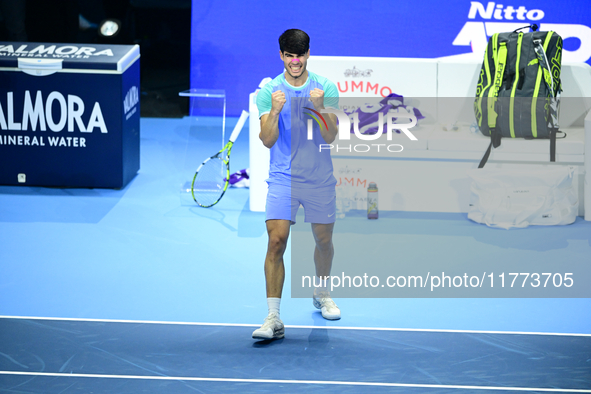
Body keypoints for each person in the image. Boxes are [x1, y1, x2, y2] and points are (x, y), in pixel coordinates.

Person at [252, 29, 341, 340]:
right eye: (289, 56)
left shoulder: (325, 88)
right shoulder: (269, 92)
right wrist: (275, 110)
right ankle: (273, 316)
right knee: (276, 242)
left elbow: (330, 137)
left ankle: (321, 292)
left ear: (307, 55)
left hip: (318, 179)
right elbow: (267, 141)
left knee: (323, 242)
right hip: (283, 177)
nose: (295, 61)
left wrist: (318, 108)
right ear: (281, 56)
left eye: (299, 56)